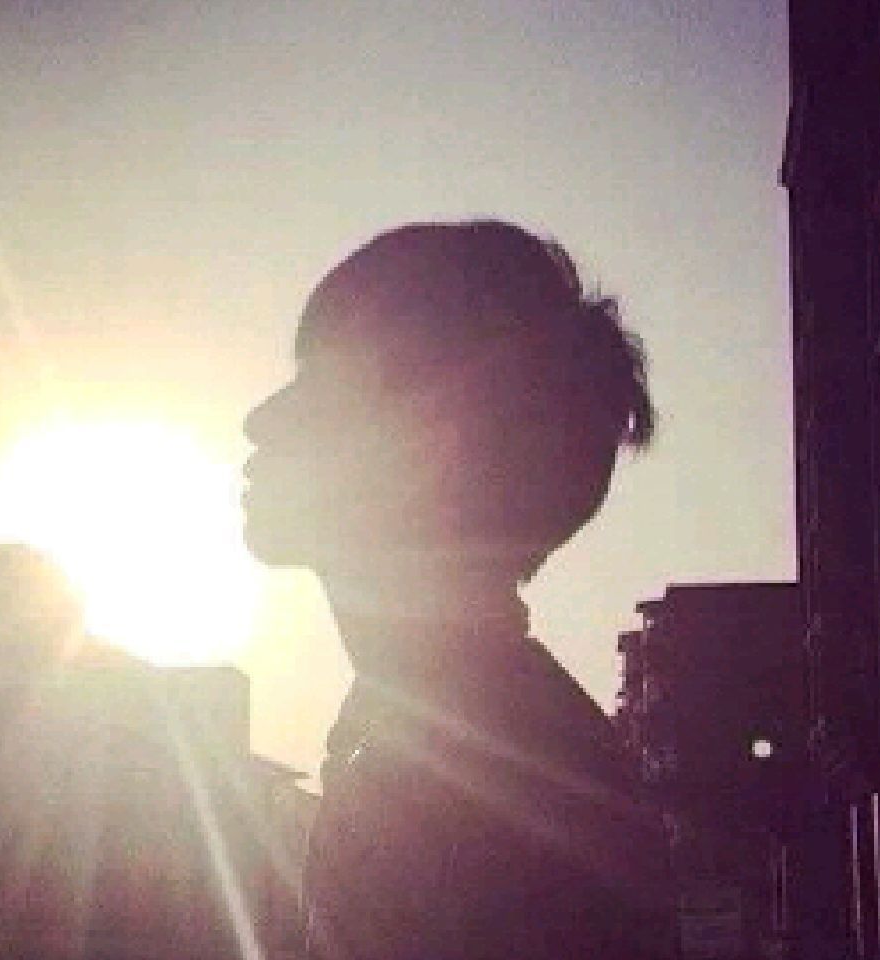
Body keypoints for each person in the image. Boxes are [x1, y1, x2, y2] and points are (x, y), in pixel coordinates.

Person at [241, 220, 676, 959]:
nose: (260, 420)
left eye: (320, 388)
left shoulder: (486, 788)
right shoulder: (440, 734)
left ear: (428, 448)